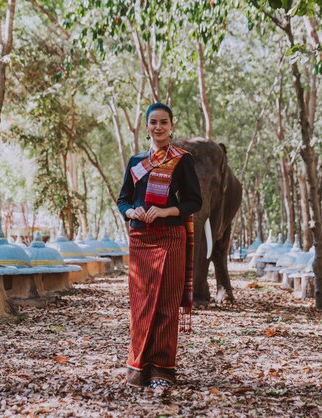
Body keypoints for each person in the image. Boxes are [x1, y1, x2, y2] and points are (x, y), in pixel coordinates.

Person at [117, 102, 202, 390]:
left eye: (164, 122)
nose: (159, 127)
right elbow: (123, 199)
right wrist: (131, 212)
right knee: (140, 306)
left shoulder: (182, 160)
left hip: (170, 238)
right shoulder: (135, 162)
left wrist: (166, 211)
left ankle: (163, 370)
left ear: (172, 126)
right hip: (141, 239)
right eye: (153, 122)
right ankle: (138, 367)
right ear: (147, 126)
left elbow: (194, 201)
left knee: (166, 304)